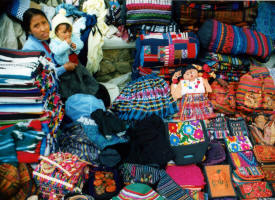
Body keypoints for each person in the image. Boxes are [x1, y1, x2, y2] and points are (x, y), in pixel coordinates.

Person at [22, 8, 111, 108]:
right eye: (36, 26)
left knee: (101, 91)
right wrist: (64, 68)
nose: (43, 28)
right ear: (29, 30)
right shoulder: (30, 48)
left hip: (68, 73)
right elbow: (41, 77)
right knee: (94, 98)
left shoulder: (49, 37)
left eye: (44, 23)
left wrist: (73, 48)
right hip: (57, 87)